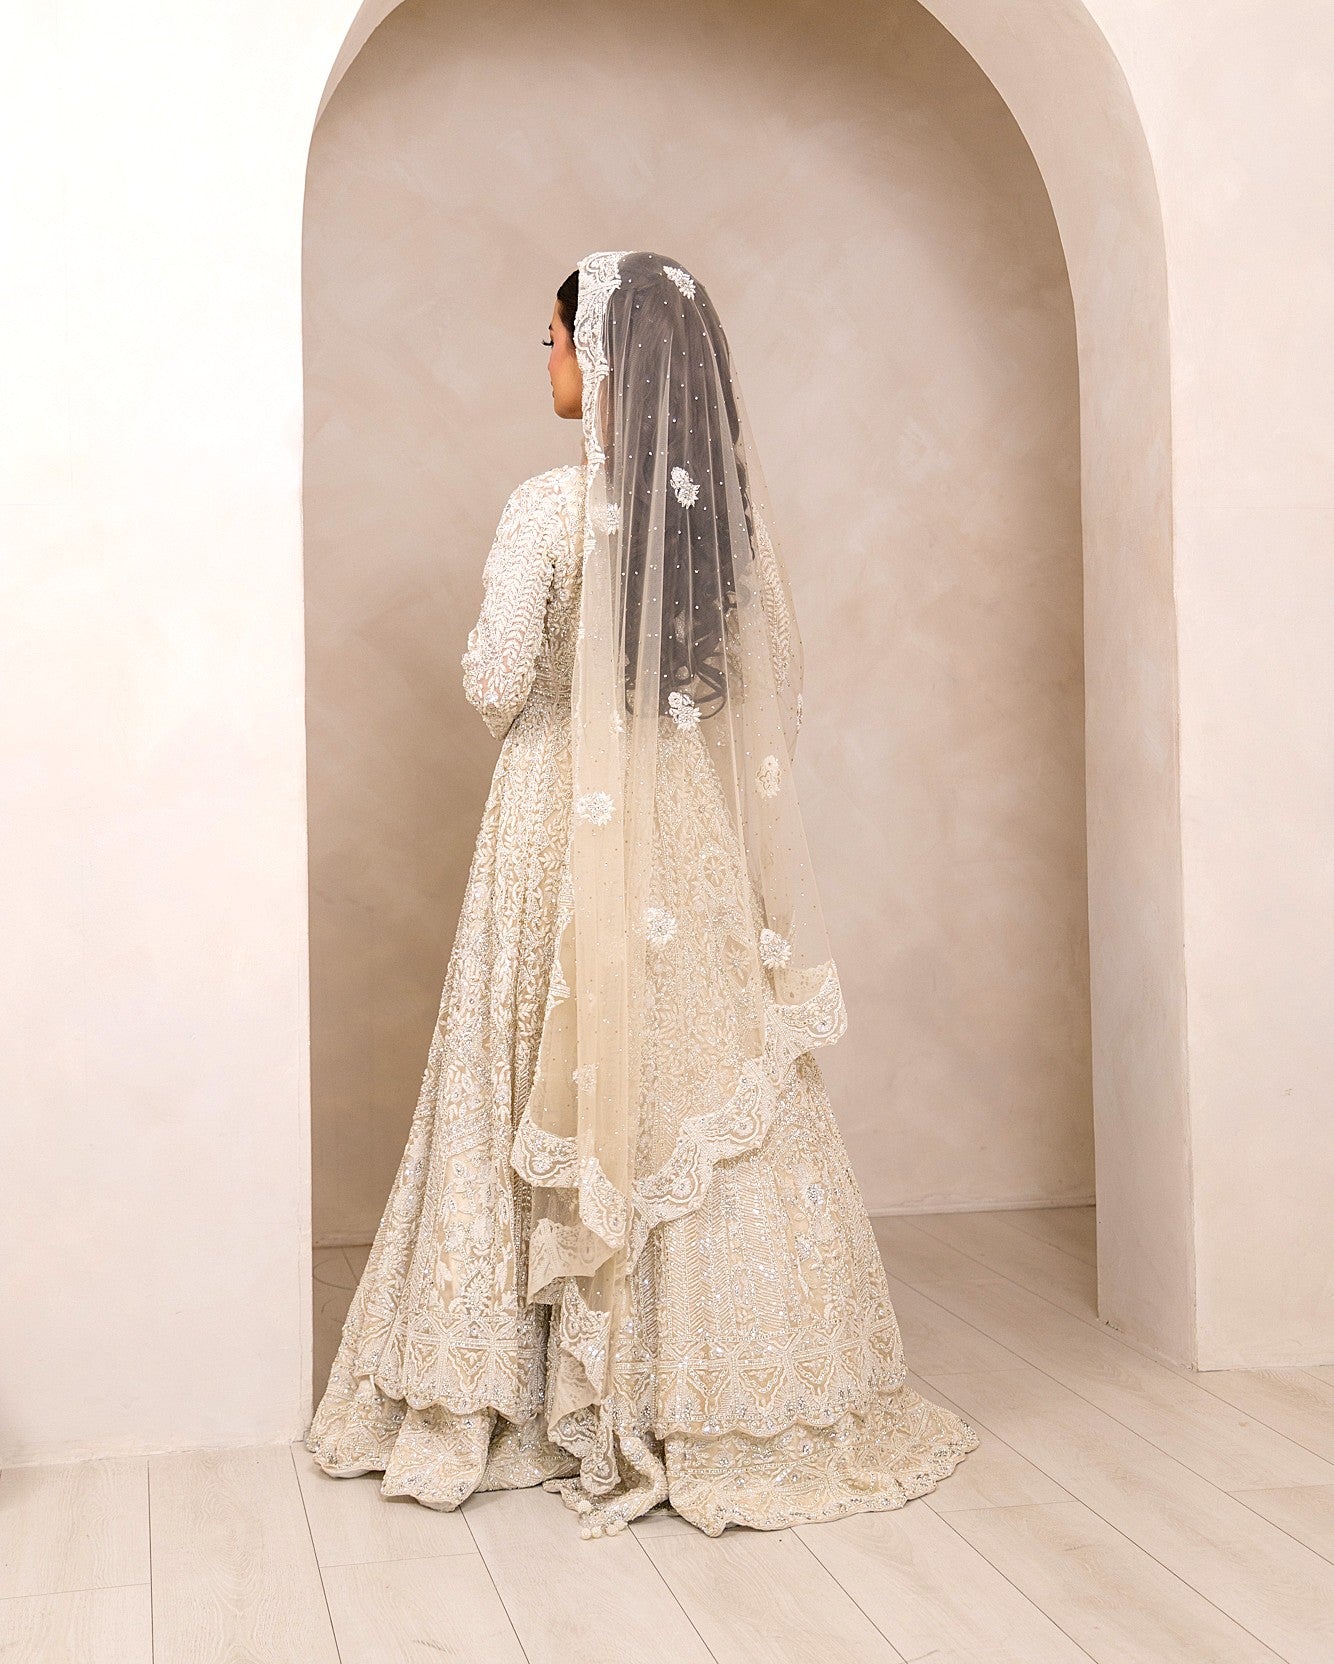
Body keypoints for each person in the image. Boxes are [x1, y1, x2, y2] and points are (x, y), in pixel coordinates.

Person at [305, 250, 979, 1537]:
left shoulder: (546, 509)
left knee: (537, 1065)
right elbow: (770, 685)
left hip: (554, 817)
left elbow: (494, 683)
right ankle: (724, 1391)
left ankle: (517, 1390)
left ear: (604, 356)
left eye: (555, 335)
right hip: (675, 825)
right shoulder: (724, 523)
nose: (544, 354)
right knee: (688, 1069)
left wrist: (524, 670)